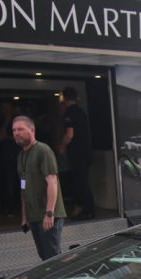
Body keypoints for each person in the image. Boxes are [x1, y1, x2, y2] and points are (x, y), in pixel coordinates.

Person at [13, 115, 65, 260]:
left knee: (52, 255)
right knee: (44, 256)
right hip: (34, 215)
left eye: (20, 129)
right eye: (14, 130)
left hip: (47, 213)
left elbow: (52, 182)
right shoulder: (21, 155)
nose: (16, 133)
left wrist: (49, 214)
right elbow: (23, 187)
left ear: (32, 130)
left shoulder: (43, 150)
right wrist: (24, 216)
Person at [60, 86, 94, 219]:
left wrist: (62, 146)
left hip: (77, 153)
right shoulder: (81, 112)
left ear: (64, 98)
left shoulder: (69, 114)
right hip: (86, 152)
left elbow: (69, 134)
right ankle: (85, 209)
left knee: (81, 182)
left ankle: (88, 210)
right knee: (83, 181)